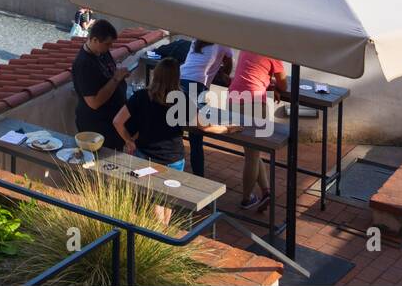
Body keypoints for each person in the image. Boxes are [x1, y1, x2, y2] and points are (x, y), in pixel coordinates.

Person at [113, 56, 241, 171]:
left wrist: (129, 141)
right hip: (171, 158)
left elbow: (117, 121)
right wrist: (227, 128)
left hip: (143, 154)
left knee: (143, 194)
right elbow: (205, 126)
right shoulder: (182, 99)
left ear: (156, 74)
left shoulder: (140, 96)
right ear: (177, 77)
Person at [228, 50, 290, 211]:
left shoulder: (247, 46)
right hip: (254, 102)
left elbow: (251, 73)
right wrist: (274, 86)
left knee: (252, 152)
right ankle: (246, 199)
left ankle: (266, 191)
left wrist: (268, 84)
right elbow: (284, 85)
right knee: (252, 155)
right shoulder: (273, 53)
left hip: (233, 98)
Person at [178, 39, 237, 177]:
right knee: (197, 135)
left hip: (180, 80)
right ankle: (199, 177)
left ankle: (176, 169)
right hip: (196, 86)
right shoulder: (222, 43)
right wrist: (224, 74)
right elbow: (229, 63)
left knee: (177, 129)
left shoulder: (197, 39)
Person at [71, 19, 129, 151]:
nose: (109, 47)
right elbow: (94, 102)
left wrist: (119, 76)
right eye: (107, 44)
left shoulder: (102, 52)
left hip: (111, 121)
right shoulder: (84, 64)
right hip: (97, 126)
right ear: (95, 40)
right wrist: (116, 79)